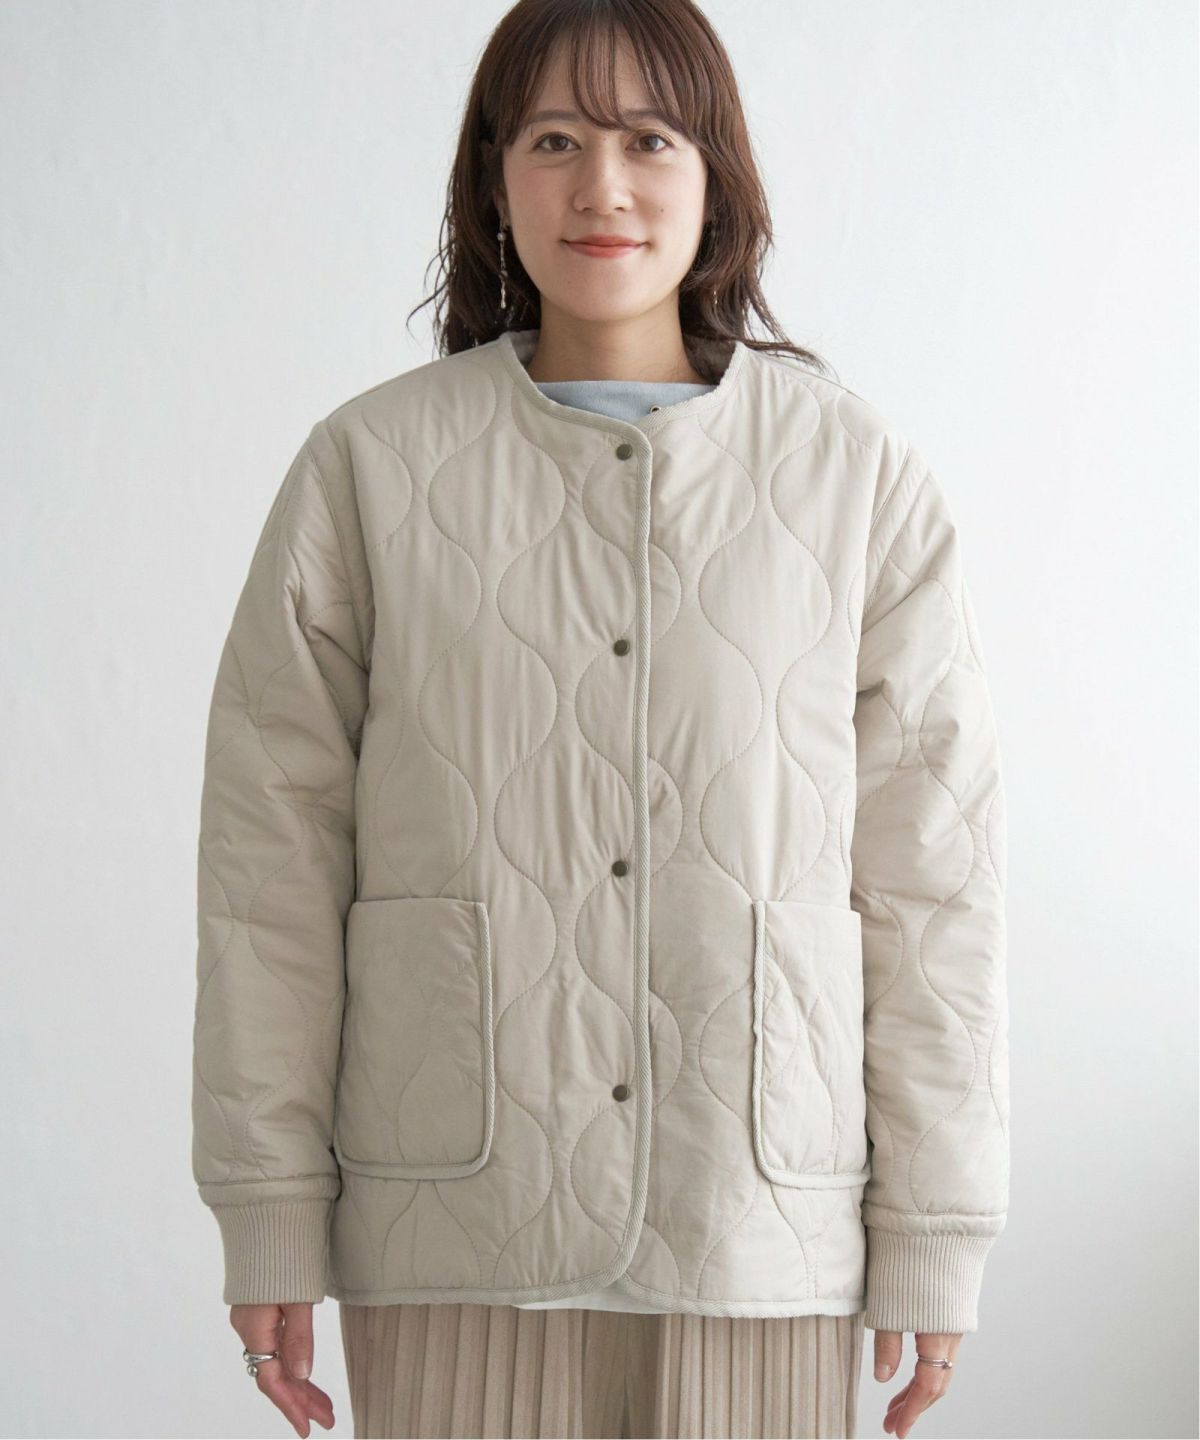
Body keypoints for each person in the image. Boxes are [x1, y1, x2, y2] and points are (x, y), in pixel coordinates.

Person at [190, 1, 1010, 1437]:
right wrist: (269, 1206)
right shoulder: (370, 468)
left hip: (756, 1220)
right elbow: (271, 871)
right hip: (455, 1211)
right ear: (494, 178)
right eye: (557, 141)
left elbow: (934, 877)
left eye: (650, 141)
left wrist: (937, 1221)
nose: (603, 188)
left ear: (718, 176)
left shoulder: (853, 476)